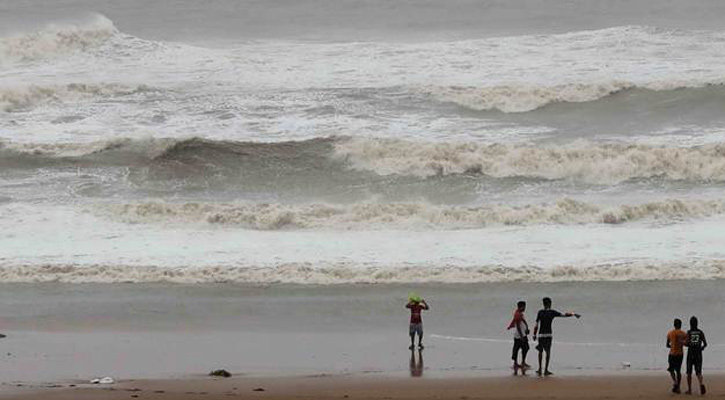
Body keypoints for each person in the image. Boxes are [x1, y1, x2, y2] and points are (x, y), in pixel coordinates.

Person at [532, 297, 580, 376]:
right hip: (548, 334)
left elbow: (536, 324)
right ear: (549, 304)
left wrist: (534, 334)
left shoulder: (540, 312)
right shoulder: (552, 312)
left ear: (543, 304)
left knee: (540, 352)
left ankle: (540, 369)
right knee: (548, 352)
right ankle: (546, 370)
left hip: (540, 335)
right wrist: (574, 314)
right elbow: (564, 315)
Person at [685, 316, 707, 395]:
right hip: (698, 353)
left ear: (690, 323)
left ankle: (689, 390)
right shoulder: (700, 332)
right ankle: (701, 383)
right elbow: (705, 344)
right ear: (697, 323)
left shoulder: (689, 332)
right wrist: (702, 348)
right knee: (698, 372)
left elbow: (687, 343)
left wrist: (682, 342)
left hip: (691, 353)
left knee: (689, 372)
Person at [507, 300, 530, 374]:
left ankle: (522, 362)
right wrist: (521, 336)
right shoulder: (517, 314)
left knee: (525, 348)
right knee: (517, 349)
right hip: (519, 336)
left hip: (523, 334)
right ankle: (516, 363)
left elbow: (523, 323)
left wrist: (526, 329)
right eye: (524, 307)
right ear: (521, 307)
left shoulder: (520, 313)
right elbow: (518, 326)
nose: (525, 308)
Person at [666, 318, 687, 393]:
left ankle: (675, 382)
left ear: (674, 325)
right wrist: (681, 343)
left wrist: (672, 345)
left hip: (672, 354)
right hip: (680, 354)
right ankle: (678, 387)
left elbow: (667, 345)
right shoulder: (684, 333)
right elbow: (687, 343)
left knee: (671, 370)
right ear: (680, 325)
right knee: (678, 371)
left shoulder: (669, 333)